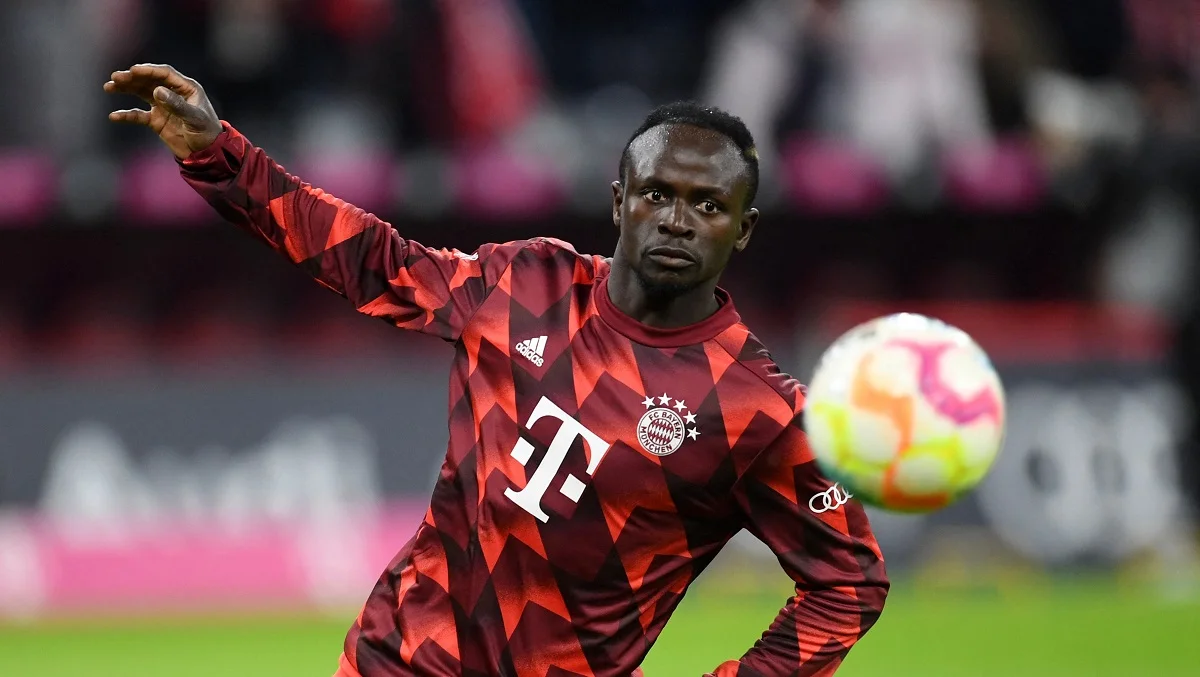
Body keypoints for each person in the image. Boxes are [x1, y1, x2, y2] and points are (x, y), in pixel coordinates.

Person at [105, 63, 888, 677]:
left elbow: (849, 583)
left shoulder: (760, 410)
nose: (678, 220)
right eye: (658, 193)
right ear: (620, 201)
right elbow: (371, 261)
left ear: (744, 229)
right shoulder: (527, 283)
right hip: (394, 658)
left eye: (709, 205)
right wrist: (219, 153)